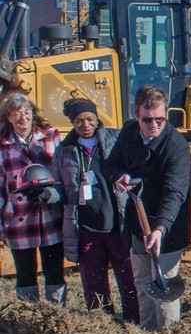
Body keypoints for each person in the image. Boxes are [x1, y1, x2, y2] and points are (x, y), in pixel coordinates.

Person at [106, 85, 191, 331]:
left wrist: (160, 228)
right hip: (137, 223)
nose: (154, 125)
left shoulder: (175, 146)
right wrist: (119, 175)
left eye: (160, 119)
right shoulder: (129, 133)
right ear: (136, 114)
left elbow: (175, 193)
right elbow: (110, 164)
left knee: (163, 284)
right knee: (143, 283)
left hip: (168, 227)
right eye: (148, 120)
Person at [52, 98, 139, 321]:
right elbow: (60, 188)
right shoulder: (64, 151)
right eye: (79, 121)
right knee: (94, 283)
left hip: (117, 224)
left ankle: (134, 321)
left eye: (90, 119)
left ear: (97, 118)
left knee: (129, 279)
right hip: (87, 227)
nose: (86, 125)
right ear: (72, 123)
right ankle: (103, 324)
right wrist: (49, 195)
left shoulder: (115, 139)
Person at [0, 93, 65, 303]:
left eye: (26, 112)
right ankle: (29, 318)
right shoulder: (2, 146)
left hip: (50, 217)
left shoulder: (51, 136)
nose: (23, 118)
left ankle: (57, 316)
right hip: (18, 220)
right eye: (17, 114)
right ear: (8, 117)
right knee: (25, 274)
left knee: (54, 271)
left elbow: (65, 175)